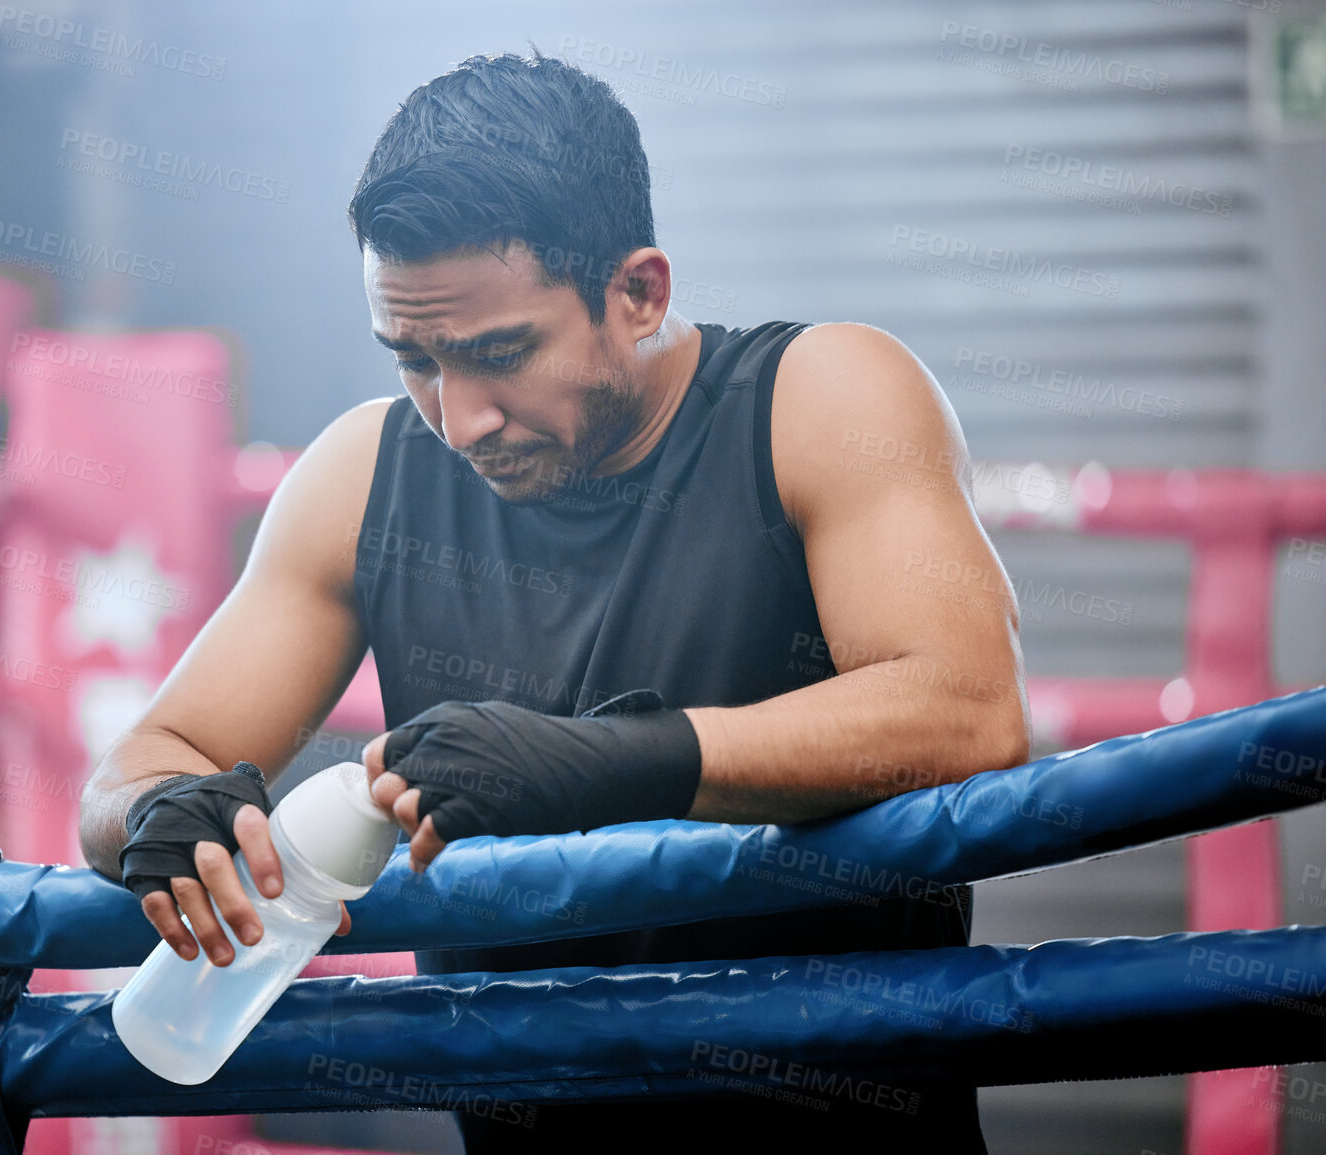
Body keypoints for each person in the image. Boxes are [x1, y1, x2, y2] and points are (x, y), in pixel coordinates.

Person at [80, 50, 1028, 1151]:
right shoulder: (364, 478)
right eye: (416, 360)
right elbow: (141, 763)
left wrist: (613, 761)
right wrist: (159, 819)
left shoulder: (818, 398)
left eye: (499, 354)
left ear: (638, 293)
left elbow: (967, 709)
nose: (459, 415)